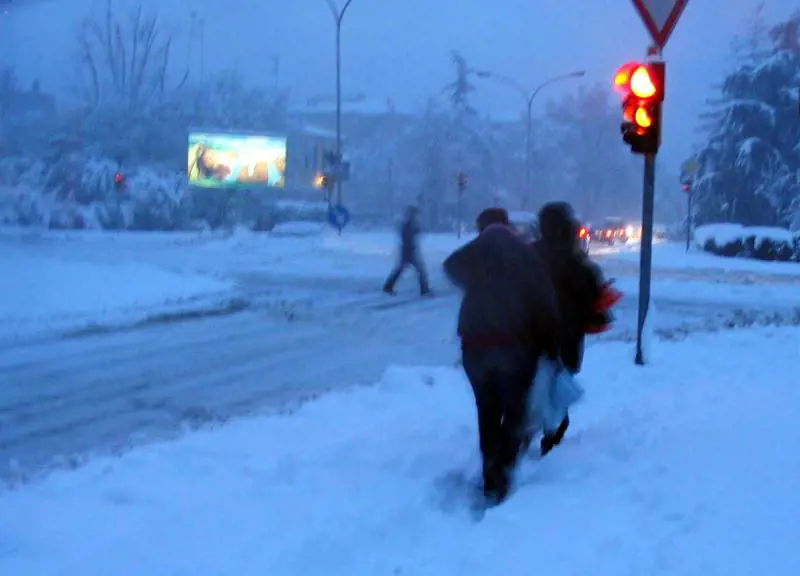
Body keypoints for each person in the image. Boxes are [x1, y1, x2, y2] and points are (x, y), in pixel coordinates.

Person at [443, 207, 559, 505]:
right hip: (515, 347)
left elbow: (451, 265)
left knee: (487, 409)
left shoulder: (476, 252)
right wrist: (550, 347)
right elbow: (546, 305)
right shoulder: (527, 256)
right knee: (515, 410)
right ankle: (502, 471)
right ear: (507, 224)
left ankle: (489, 470)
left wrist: (478, 283)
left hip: (475, 346)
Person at [528, 201, 620, 456]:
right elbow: (595, 301)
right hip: (565, 336)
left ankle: (525, 429)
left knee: (529, 381)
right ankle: (552, 434)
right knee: (558, 382)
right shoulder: (578, 263)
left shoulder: (527, 255)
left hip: (528, 334)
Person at [383, 205, 430, 296]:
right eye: (415, 214)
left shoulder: (407, 224)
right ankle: (424, 290)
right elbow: (409, 236)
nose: (416, 216)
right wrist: (416, 230)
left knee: (401, 269)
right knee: (419, 270)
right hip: (409, 250)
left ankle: (388, 287)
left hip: (407, 250)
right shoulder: (408, 224)